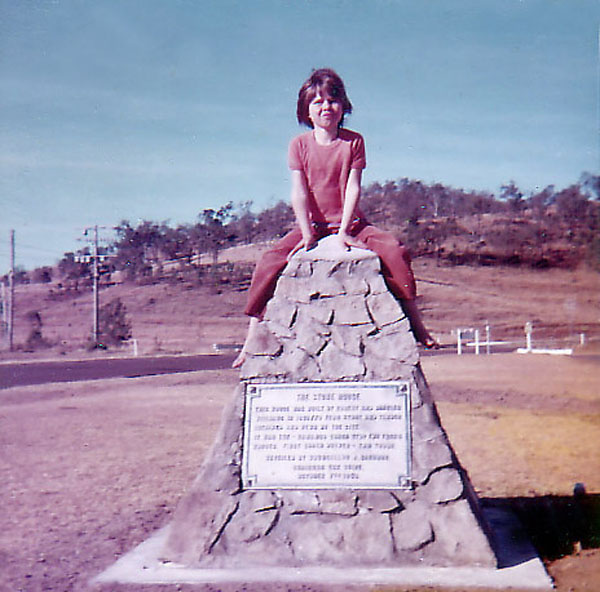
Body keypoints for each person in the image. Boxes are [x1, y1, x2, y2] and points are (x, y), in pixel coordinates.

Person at [233, 68, 437, 368]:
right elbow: (299, 192)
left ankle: (416, 324)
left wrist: (343, 232)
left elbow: (353, 186)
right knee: (269, 261)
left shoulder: (353, 142)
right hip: (313, 225)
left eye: (332, 100)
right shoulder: (299, 145)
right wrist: (306, 234)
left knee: (394, 251)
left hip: (351, 222)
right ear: (307, 110)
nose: (326, 107)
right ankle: (251, 339)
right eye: (317, 102)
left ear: (343, 105)